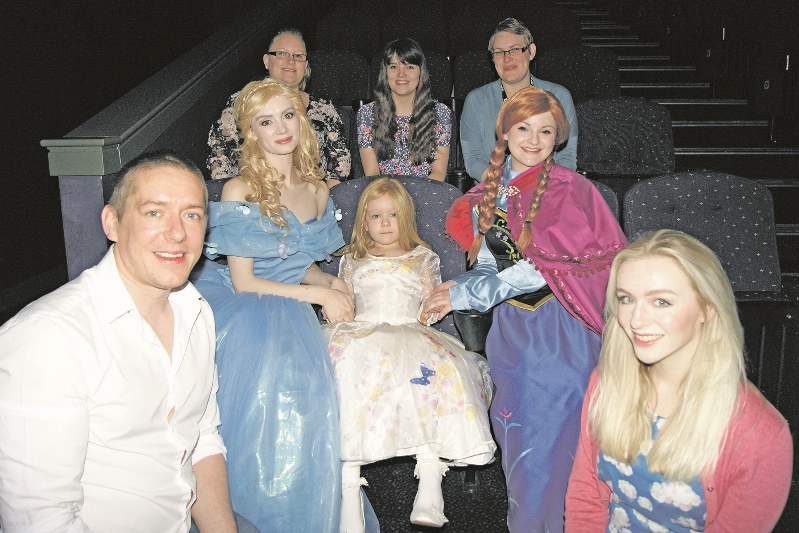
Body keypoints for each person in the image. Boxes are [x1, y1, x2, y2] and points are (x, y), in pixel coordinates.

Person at [0, 151, 258, 533]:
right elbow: (41, 521)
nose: (177, 233)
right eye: (154, 212)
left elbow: (201, 437)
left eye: (192, 215)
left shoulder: (196, 311)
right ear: (112, 222)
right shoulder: (48, 338)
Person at [422, 86, 627, 532]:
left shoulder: (572, 191)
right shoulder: (489, 193)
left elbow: (542, 269)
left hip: (562, 333)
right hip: (512, 333)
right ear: (505, 131)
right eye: (523, 128)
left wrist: (465, 296)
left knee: (556, 448)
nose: (533, 140)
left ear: (559, 138)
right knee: (520, 448)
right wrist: (454, 286)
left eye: (545, 131)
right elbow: (493, 267)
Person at [192, 78, 352, 532]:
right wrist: (320, 293)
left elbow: (301, 265)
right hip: (245, 303)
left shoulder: (318, 189)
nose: (281, 128)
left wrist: (333, 285)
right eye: (266, 121)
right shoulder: (240, 189)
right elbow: (246, 281)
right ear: (252, 132)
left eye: (287, 115)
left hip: (289, 298)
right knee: (269, 386)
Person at [565, 229, 793, 532]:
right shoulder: (608, 384)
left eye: (661, 302)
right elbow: (586, 496)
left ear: (708, 308)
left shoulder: (760, 434)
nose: (636, 320)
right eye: (627, 299)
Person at [322, 178, 496, 532]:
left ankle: (430, 473)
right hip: (363, 332)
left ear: (407, 219)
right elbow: (347, 304)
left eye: (394, 215)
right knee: (348, 375)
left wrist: (435, 306)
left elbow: (429, 304)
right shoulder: (353, 260)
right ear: (363, 221)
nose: (385, 223)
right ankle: (350, 486)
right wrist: (335, 311)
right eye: (376, 216)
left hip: (410, 329)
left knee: (439, 373)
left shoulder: (422, 257)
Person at [207, 27, 352, 185]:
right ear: (266, 61)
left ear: (306, 65)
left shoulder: (325, 110)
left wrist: (321, 203)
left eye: (298, 56)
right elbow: (220, 159)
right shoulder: (241, 103)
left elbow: (339, 168)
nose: (291, 61)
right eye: (282, 53)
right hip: (255, 197)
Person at [460, 17, 579, 180]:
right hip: (494, 192)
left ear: (531, 51)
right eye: (499, 52)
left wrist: (538, 190)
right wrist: (505, 189)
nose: (507, 58)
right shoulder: (476, 100)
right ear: (493, 58)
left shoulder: (559, 96)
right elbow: (474, 161)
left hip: (547, 190)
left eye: (515, 49)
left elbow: (566, 158)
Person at [357, 38, 452, 181]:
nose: (401, 74)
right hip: (384, 192)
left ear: (421, 72)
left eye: (409, 67)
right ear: (385, 73)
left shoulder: (441, 113)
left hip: (426, 192)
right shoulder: (366, 114)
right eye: (394, 67)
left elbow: (438, 173)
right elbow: (372, 173)